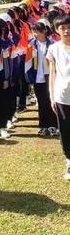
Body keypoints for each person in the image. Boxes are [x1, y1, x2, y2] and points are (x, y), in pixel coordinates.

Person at [47, 15, 70, 180]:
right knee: (65, 131)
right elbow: (52, 74)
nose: (66, 31)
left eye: (68, 27)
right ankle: (69, 160)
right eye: (62, 28)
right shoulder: (53, 49)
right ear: (57, 30)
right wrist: (52, 96)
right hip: (62, 96)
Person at [25, 22, 57, 137]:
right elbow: (27, 62)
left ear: (44, 31)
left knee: (51, 101)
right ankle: (43, 126)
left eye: (37, 31)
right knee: (42, 103)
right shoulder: (31, 44)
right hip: (37, 77)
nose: (35, 34)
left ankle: (53, 126)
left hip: (49, 76)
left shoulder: (52, 44)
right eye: (34, 31)